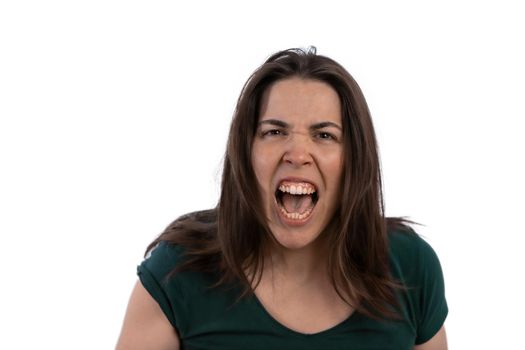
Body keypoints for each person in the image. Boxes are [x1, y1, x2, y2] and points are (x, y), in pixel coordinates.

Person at [116, 47, 448, 350]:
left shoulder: (410, 267)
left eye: (324, 135)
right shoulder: (178, 271)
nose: (298, 154)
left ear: (353, 160)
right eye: (275, 132)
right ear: (247, 153)